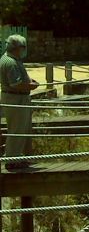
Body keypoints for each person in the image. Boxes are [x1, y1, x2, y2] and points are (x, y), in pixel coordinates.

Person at [1, 34, 38, 169]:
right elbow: (15, 84)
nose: (23, 50)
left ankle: (19, 157)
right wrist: (31, 86)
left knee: (23, 128)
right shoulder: (11, 62)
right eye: (23, 47)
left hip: (17, 98)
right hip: (15, 98)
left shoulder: (11, 59)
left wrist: (29, 81)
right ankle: (12, 160)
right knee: (17, 129)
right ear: (17, 48)